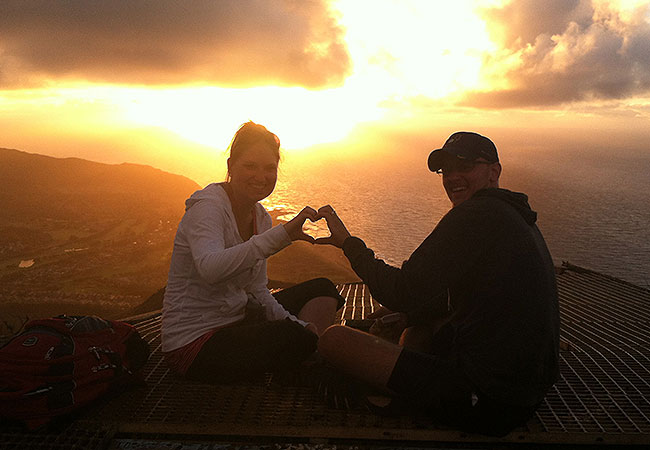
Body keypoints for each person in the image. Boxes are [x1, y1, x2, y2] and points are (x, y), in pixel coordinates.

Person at [315, 131, 559, 436]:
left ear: (494, 171)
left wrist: (349, 244)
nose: (453, 176)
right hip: (524, 390)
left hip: (488, 401)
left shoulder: (474, 215)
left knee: (334, 339)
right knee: (416, 326)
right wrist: (408, 316)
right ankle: (399, 387)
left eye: (466, 165)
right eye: (447, 169)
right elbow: (442, 298)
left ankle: (394, 397)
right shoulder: (512, 213)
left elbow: (401, 290)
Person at [161, 121, 344, 383]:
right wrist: (281, 236)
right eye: (250, 166)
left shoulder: (261, 217)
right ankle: (305, 354)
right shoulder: (208, 208)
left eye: (270, 168)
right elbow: (210, 269)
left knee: (323, 288)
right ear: (230, 167)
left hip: (238, 321)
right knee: (293, 337)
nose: (261, 176)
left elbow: (257, 290)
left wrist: (297, 325)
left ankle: (306, 349)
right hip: (194, 344)